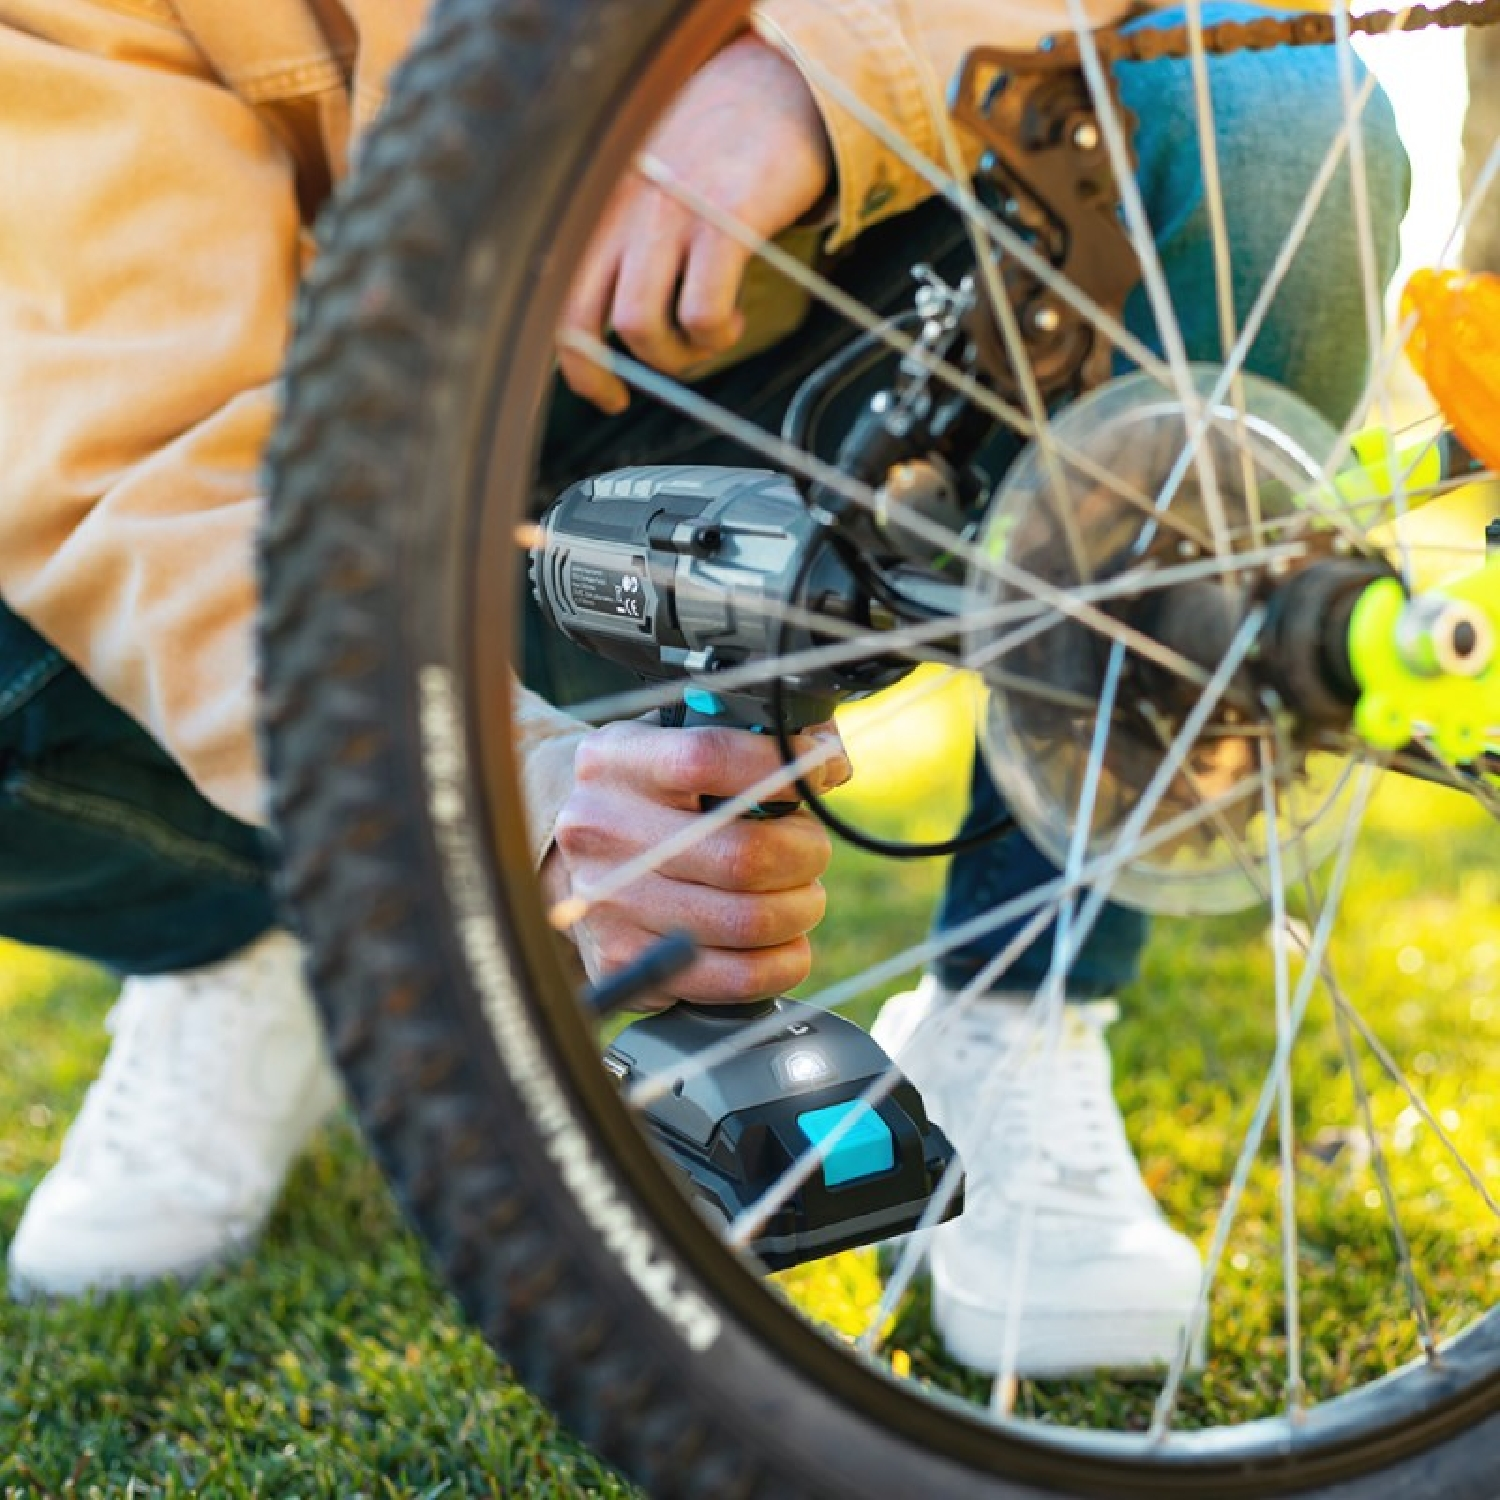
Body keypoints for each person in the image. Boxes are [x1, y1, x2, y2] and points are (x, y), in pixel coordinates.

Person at [0, 0, 1407, 1383]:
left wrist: (824, 71)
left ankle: (1016, 1009)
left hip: (823, 341)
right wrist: (509, 804)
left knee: (1263, 117)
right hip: (350, 520)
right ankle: (262, 928)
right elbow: (142, 443)